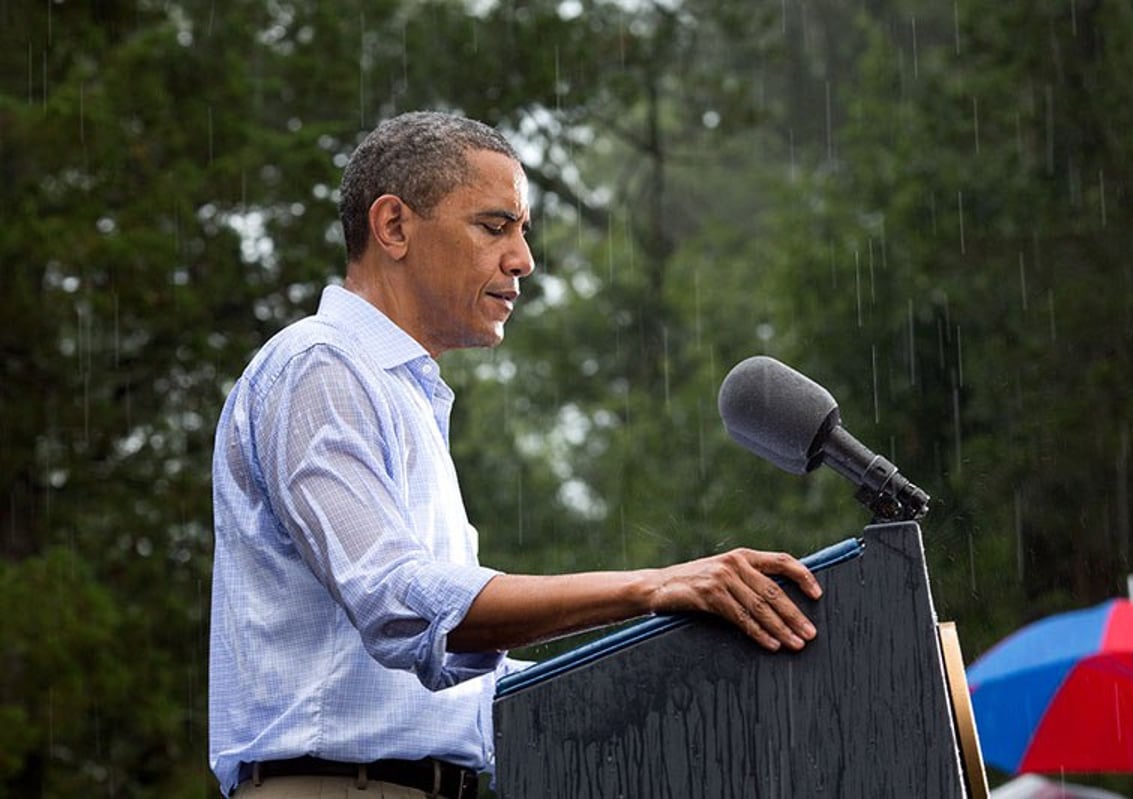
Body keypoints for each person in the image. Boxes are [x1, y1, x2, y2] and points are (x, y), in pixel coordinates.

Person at [208, 111, 823, 799]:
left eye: (522, 231)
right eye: (495, 226)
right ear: (394, 227)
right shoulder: (319, 367)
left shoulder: (401, 392)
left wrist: (685, 661)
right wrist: (652, 586)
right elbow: (397, 598)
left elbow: (460, 679)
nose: (523, 259)